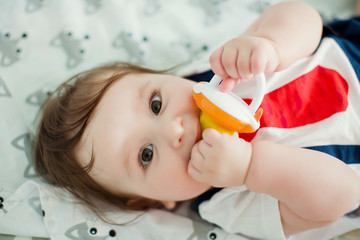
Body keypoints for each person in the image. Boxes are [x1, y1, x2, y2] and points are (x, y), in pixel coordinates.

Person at [34, 1, 360, 239]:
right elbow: (343, 194)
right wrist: (250, 167)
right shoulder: (227, 204)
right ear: (155, 201)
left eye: (156, 103)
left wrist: (272, 43)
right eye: (146, 155)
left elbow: (303, 15)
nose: (174, 129)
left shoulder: (217, 74)